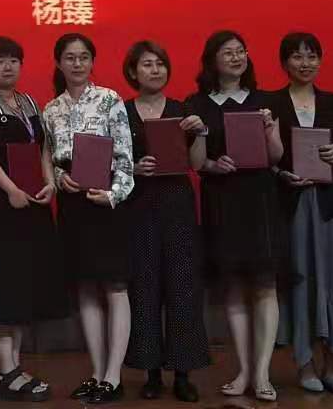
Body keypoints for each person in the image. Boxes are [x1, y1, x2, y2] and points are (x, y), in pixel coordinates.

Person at [184, 30, 285, 403]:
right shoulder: (197, 104)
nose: (236, 57)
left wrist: (270, 130)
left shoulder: (265, 101)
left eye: (241, 51)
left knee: (265, 286)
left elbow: (276, 156)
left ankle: (262, 373)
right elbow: (196, 164)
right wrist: (213, 161)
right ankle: (243, 369)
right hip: (222, 199)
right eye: (228, 52)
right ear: (212, 60)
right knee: (234, 288)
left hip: (260, 199)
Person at [270, 32, 333, 395]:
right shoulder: (271, 102)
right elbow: (267, 158)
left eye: (312, 56)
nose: (305, 63)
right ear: (285, 63)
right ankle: (304, 365)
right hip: (292, 204)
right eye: (297, 57)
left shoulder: (332, 100)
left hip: (330, 205)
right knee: (300, 284)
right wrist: (281, 173)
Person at [40, 33, 135, 405]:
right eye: (69, 57)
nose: (77, 64)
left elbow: (125, 159)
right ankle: (97, 373)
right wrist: (59, 179)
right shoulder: (51, 109)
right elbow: (51, 158)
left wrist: (112, 194)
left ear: (92, 62)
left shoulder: (110, 100)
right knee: (85, 289)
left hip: (105, 204)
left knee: (114, 288)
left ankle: (114, 376)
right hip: (73, 207)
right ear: (59, 63)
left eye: (83, 57)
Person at [0, 35, 58, 402]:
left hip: (32, 204)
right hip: (0, 207)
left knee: (23, 288)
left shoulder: (28, 101)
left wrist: (50, 182)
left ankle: (15, 369)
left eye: (14, 60)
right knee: (5, 286)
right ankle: (6, 370)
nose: (8, 67)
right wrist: (10, 189)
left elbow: (43, 148)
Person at [120, 40, 209, 403]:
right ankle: (152, 373)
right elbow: (111, 162)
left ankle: (183, 373)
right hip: (139, 207)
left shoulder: (183, 110)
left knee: (182, 288)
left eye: (160, 64)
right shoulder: (122, 112)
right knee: (144, 290)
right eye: (147, 64)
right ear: (133, 72)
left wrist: (200, 134)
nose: (155, 70)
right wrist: (133, 167)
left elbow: (197, 164)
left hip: (177, 207)